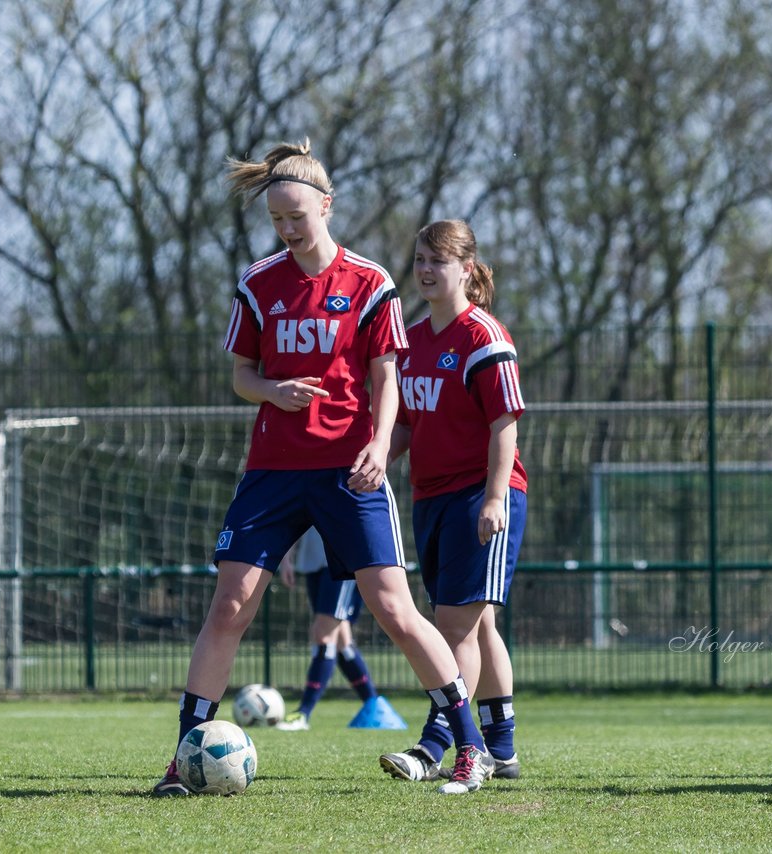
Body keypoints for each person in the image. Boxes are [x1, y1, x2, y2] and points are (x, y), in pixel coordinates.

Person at [152, 141, 492, 797]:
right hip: (273, 472)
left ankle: (469, 748)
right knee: (229, 605)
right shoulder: (259, 283)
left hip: (347, 469)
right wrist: (271, 391)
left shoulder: (370, 284)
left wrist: (378, 441)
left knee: (392, 607)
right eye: (277, 219)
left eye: (297, 216)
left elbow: (386, 373)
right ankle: (183, 760)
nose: (287, 229)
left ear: (327, 206)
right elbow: (243, 375)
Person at [378, 219, 526, 784]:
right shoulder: (411, 341)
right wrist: (374, 461)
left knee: (453, 626)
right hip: (431, 498)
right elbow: (407, 427)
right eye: (418, 259)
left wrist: (494, 496)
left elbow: (504, 421)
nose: (424, 270)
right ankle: (502, 748)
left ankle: (438, 745)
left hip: (481, 495)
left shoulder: (483, 335)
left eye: (437, 261)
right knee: (479, 626)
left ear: (466, 267)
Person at [275, 526, 404, 731]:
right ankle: (374, 705)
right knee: (342, 639)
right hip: (312, 561)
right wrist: (286, 559)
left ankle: (303, 713)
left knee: (323, 634)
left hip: (342, 559)